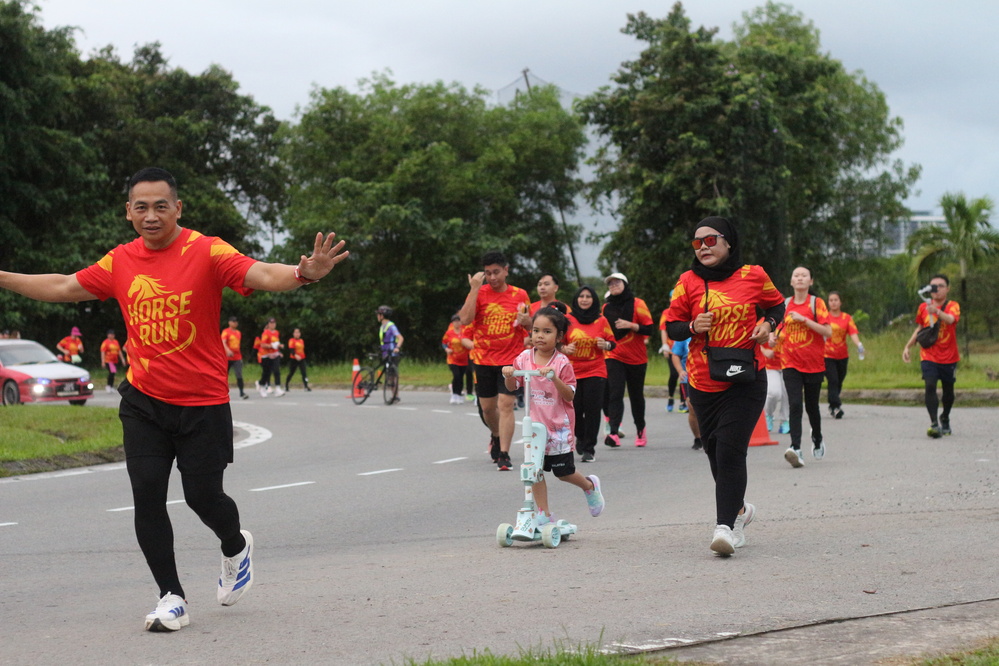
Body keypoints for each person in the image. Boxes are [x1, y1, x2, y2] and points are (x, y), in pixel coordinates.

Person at [0, 167, 348, 631]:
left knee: (203, 497)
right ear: (128, 212)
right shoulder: (120, 261)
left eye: (160, 206)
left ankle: (235, 546)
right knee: (147, 494)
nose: (151, 215)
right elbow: (64, 286)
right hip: (143, 400)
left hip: (203, 401)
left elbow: (262, 273)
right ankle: (171, 596)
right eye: (141, 207)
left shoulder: (207, 250)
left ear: (178, 208)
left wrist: (304, 273)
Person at [665, 216, 784, 556]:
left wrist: (768, 324)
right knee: (715, 452)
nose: (703, 247)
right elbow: (672, 326)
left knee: (731, 451)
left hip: (746, 378)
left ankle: (725, 527)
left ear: (728, 241)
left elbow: (777, 305)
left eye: (710, 240)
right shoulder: (687, 282)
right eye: (697, 242)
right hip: (704, 381)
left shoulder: (753, 275)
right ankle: (740, 511)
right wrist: (692, 326)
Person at [502, 306, 605, 522]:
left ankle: (589, 486)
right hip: (534, 428)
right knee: (534, 471)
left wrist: (554, 377)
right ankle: (544, 514)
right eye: (536, 330)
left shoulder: (562, 363)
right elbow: (513, 386)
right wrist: (509, 374)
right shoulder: (523, 358)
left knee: (563, 472)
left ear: (559, 337)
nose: (540, 336)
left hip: (558, 427)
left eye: (547, 331)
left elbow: (569, 395)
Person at [459, 251, 532, 471]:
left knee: (506, 405)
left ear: (506, 270)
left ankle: (504, 454)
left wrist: (527, 321)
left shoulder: (519, 294)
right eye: (488, 273)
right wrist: (474, 288)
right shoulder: (479, 293)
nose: (492, 277)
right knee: (488, 409)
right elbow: (465, 319)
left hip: (510, 360)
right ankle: (496, 434)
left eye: (496, 272)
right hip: (483, 359)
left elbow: (529, 326)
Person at [777, 267, 832, 468]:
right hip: (790, 362)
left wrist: (805, 320)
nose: (800, 278)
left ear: (810, 281)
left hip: (814, 363)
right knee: (795, 404)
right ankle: (796, 448)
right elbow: (779, 331)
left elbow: (828, 332)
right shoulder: (784, 305)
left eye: (804, 276)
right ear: (791, 281)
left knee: (812, 407)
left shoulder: (816, 303)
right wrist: (774, 338)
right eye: (796, 275)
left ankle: (817, 437)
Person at [903, 274, 961, 438]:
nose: (937, 289)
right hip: (929, 355)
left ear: (948, 289)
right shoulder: (923, 307)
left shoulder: (953, 305)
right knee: (930, 385)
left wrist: (936, 311)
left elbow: (950, 320)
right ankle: (934, 423)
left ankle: (945, 417)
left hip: (949, 356)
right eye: (933, 286)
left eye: (940, 286)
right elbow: (920, 328)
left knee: (948, 391)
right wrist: (908, 346)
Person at [601, 272, 654, 448]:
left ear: (625, 284)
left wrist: (631, 325)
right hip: (614, 355)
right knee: (615, 393)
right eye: (610, 284)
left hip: (636, 358)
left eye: (617, 283)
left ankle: (640, 429)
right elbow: (602, 329)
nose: (613, 286)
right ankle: (613, 432)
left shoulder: (638, 304)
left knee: (636, 396)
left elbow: (649, 329)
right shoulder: (606, 308)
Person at [564, 286, 616, 463]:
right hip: (572, 371)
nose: (584, 299)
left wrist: (605, 345)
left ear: (594, 300)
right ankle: (580, 436)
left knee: (593, 410)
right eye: (581, 296)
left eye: (588, 296)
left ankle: (589, 448)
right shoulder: (567, 320)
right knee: (575, 410)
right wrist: (565, 348)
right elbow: (558, 343)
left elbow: (612, 342)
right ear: (576, 299)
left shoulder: (601, 320)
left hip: (596, 370)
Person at [824, 291, 865, 419]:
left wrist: (859, 345)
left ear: (840, 302)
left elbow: (853, 333)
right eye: (831, 300)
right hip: (827, 355)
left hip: (842, 355)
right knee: (833, 380)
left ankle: (832, 405)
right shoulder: (825, 317)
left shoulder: (846, 318)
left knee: (839, 381)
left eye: (836, 300)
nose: (833, 302)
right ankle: (836, 406)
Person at [670, 336, 701, 449]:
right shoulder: (684, 334)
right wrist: (680, 371)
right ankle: (698, 438)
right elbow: (675, 355)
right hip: (688, 378)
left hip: (707, 376)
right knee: (692, 407)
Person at [659, 295, 684, 413]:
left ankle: (683, 401)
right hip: (671, 348)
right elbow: (663, 329)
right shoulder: (667, 312)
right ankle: (670, 398)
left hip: (684, 347)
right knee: (674, 374)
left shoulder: (685, 310)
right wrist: (665, 346)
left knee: (685, 374)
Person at [762, 333, 790, 434]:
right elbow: (753, 340)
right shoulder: (763, 324)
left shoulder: (791, 324)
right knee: (774, 393)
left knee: (787, 394)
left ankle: (785, 420)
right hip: (770, 365)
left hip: (789, 364)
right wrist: (764, 350)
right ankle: (768, 415)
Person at [442, 314, 473, 404]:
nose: (456, 323)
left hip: (463, 359)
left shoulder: (464, 332)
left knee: (461, 377)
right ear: (452, 323)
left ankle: (459, 395)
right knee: (456, 375)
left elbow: (469, 342)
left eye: (458, 321)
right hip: (452, 359)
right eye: (455, 321)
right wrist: (447, 349)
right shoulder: (449, 333)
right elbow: (444, 343)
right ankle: (454, 394)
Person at [220, 316, 248, 400]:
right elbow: (223, 342)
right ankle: (222, 391)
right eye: (233, 321)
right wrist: (227, 350)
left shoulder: (238, 333)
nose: (235, 323)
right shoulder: (226, 332)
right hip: (227, 357)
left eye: (236, 322)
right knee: (224, 375)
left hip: (237, 357)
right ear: (229, 322)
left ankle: (242, 392)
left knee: (239, 374)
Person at [258, 318, 284, 397]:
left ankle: (278, 388)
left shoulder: (276, 332)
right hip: (266, 355)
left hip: (275, 354)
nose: (273, 325)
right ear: (268, 324)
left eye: (274, 323)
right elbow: (262, 344)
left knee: (276, 370)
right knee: (266, 373)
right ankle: (262, 386)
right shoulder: (266, 333)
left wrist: (279, 347)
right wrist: (271, 345)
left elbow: (276, 343)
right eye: (271, 323)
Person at [285, 328, 311, 392]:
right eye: (296, 333)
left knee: (304, 372)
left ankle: (306, 386)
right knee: (291, 372)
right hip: (294, 359)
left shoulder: (301, 340)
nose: (297, 334)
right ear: (293, 334)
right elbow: (291, 349)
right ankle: (286, 385)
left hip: (301, 358)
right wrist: (295, 355)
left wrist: (302, 356)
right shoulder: (291, 340)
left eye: (298, 332)